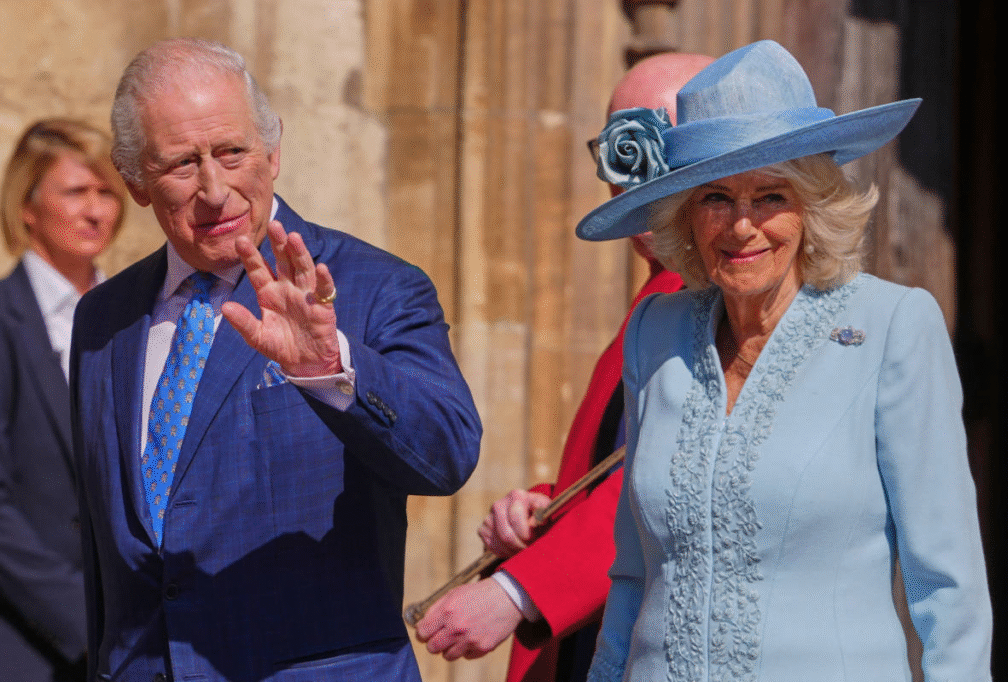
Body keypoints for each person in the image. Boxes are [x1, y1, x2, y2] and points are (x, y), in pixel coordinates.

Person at [574, 40, 992, 681]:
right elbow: (634, 575)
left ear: (812, 204)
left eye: (770, 196)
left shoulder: (892, 327)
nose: (742, 226)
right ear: (685, 217)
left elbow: (948, 582)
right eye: (715, 197)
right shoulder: (654, 333)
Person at [69, 37, 481, 682]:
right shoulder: (104, 318)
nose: (214, 189)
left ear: (274, 151)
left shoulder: (373, 287)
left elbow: (448, 453)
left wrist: (330, 368)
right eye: (181, 164)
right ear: (136, 183)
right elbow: (110, 554)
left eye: (232, 152)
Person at [415, 53, 712, 682]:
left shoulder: (722, 300)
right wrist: (548, 509)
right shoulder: (661, 295)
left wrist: (519, 591)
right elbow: (628, 462)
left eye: (657, 151)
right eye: (621, 153)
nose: (632, 184)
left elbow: (678, 481)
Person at [0, 118, 126, 682]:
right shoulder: (4, 322)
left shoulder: (141, 318)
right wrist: (89, 626)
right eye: (76, 192)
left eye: (107, 193)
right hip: (31, 648)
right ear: (26, 206)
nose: (96, 211)